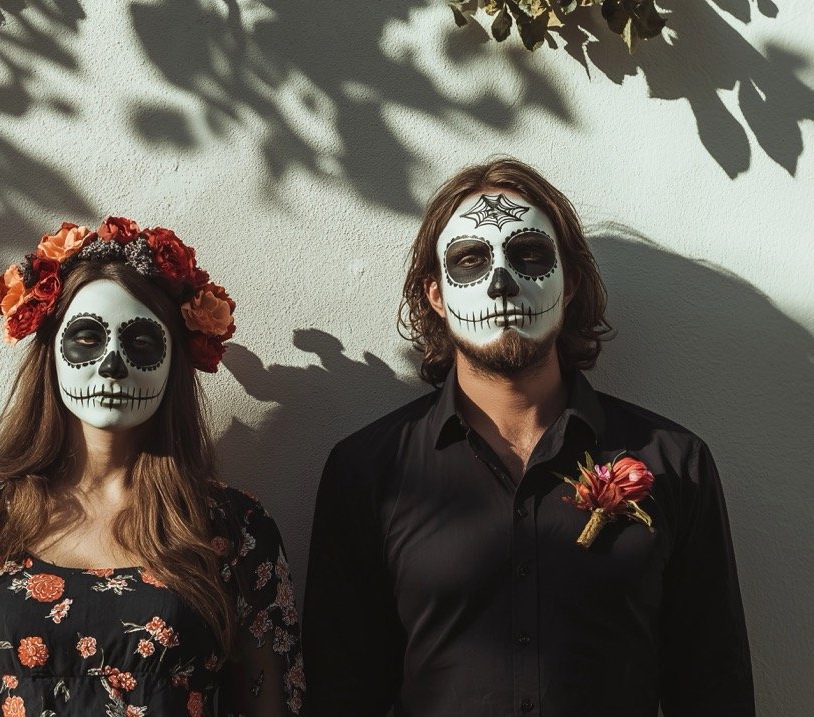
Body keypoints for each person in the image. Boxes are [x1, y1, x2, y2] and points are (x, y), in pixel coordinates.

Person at [302, 158, 755, 716]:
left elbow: (714, 688)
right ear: (437, 294)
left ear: (569, 286)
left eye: (529, 254)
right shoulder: (366, 471)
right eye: (470, 261)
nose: (500, 281)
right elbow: (342, 693)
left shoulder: (676, 464)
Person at [0, 217, 305, 716]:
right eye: (86, 337)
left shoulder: (233, 529)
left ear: (174, 363)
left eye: (142, 344)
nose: (111, 364)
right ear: (52, 352)